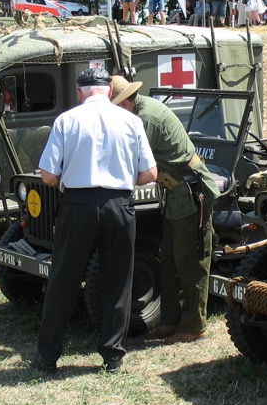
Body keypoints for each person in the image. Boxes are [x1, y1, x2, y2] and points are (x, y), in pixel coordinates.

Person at [34, 67, 158, 375]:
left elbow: (48, 176)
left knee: (63, 279)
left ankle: (48, 356)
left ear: (80, 92)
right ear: (109, 92)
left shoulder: (66, 120)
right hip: (119, 205)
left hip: (77, 205)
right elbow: (150, 174)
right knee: (118, 280)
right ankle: (112, 355)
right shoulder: (132, 121)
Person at [111, 75, 219, 344]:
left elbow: (131, 162)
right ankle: (171, 321)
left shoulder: (145, 120)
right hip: (174, 193)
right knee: (169, 260)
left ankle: (195, 326)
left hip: (190, 192)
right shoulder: (138, 111)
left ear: (123, 102)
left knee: (191, 261)